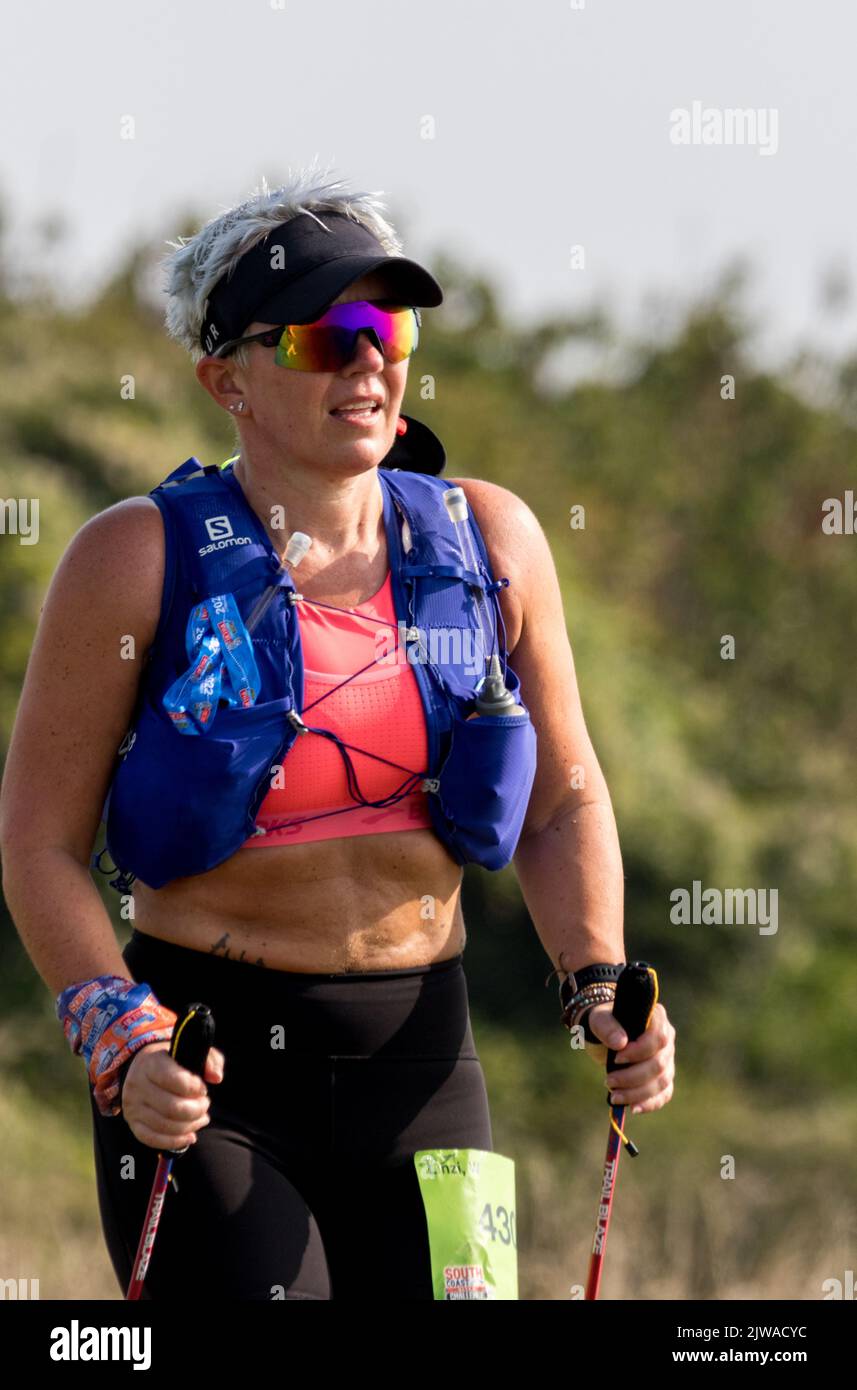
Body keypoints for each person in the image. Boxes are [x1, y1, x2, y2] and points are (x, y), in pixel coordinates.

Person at [0, 165, 676, 1301]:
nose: (366, 362)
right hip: (206, 1068)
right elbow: (38, 846)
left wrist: (596, 978)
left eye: (385, 327)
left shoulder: (491, 539)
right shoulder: (132, 558)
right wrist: (120, 1034)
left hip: (423, 1059)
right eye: (321, 341)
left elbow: (561, 801)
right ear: (228, 379)